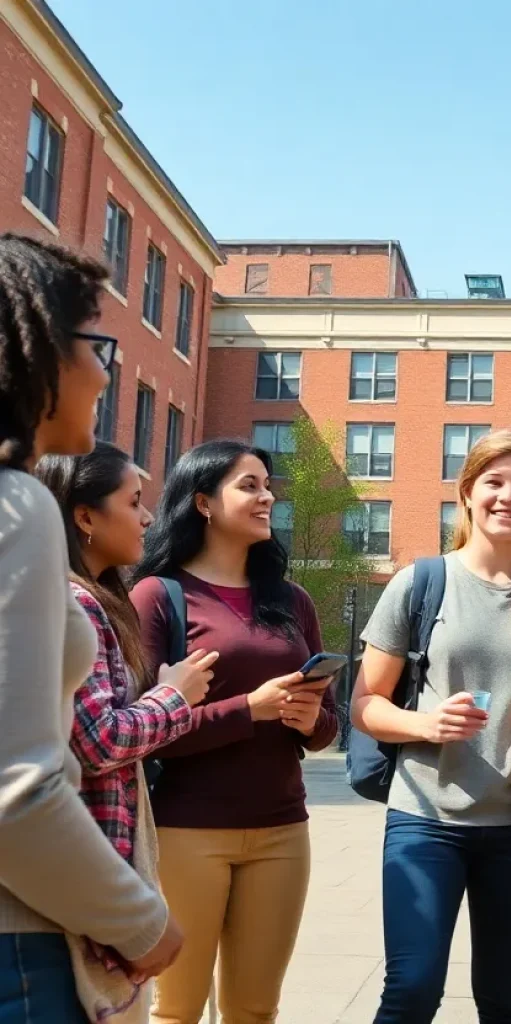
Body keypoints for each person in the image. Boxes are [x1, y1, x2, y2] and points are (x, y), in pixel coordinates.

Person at [351, 427, 511, 1024]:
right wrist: (425, 723)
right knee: (411, 990)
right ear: (466, 492)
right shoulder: (420, 582)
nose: (507, 496)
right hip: (423, 820)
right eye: (494, 482)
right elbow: (365, 704)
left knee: (504, 1000)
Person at [0, 234, 182, 1022]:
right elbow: (15, 787)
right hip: (21, 943)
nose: (107, 371)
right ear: (34, 347)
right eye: (94, 343)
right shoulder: (18, 505)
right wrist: (144, 925)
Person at [130, 439, 339, 1024]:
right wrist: (250, 709)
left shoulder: (292, 600)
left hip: (281, 831)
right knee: (176, 1008)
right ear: (202, 502)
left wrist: (309, 719)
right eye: (249, 486)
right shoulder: (157, 596)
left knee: (255, 1009)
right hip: (184, 831)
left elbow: (327, 727)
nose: (267, 496)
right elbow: (141, 729)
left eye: (268, 486)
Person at [36, 443, 219, 1019]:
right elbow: (100, 742)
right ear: (84, 517)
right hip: (81, 889)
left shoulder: (92, 599)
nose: (147, 517)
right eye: (135, 502)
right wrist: (175, 695)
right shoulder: (76, 602)